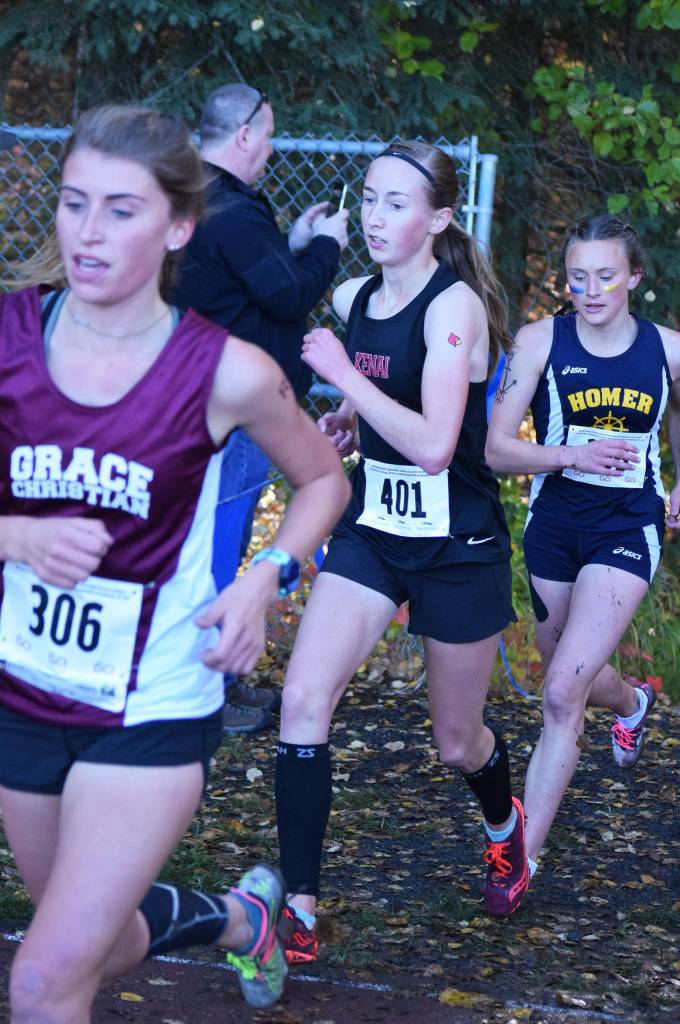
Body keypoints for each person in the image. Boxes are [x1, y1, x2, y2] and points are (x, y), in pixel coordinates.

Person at [0, 104, 350, 1022]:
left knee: (41, 983)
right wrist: (16, 537)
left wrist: (263, 576)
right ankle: (238, 919)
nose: (88, 231)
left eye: (121, 209)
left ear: (179, 227)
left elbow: (322, 483)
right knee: (89, 944)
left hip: (151, 703)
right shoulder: (7, 338)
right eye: (75, 204)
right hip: (26, 690)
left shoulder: (225, 371)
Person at [273, 140, 529, 965]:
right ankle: (300, 908)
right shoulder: (354, 296)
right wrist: (351, 422)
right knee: (302, 701)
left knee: (457, 744)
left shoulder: (452, 307)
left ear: (438, 220)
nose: (376, 218)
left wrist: (346, 381)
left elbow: (431, 446)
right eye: (369, 200)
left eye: (395, 204)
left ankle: (502, 821)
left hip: (458, 543)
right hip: (377, 535)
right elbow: (391, 414)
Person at [485, 214, 680, 880]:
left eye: (605, 276)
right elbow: (495, 449)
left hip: (627, 525)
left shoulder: (671, 351)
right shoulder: (537, 342)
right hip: (553, 525)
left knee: (558, 696)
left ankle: (520, 859)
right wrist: (572, 453)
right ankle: (633, 703)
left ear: (633, 276)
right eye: (577, 277)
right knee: (566, 680)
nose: (590, 289)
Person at [171, 83, 349, 735]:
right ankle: (204, 694)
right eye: (268, 133)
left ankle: (208, 681)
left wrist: (295, 240)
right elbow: (288, 295)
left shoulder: (201, 195)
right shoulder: (233, 212)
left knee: (209, 538)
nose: (271, 147)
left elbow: (257, 280)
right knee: (220, 544)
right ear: (244, 134)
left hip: (202, 399)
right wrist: (327, 242)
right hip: (235, 412)